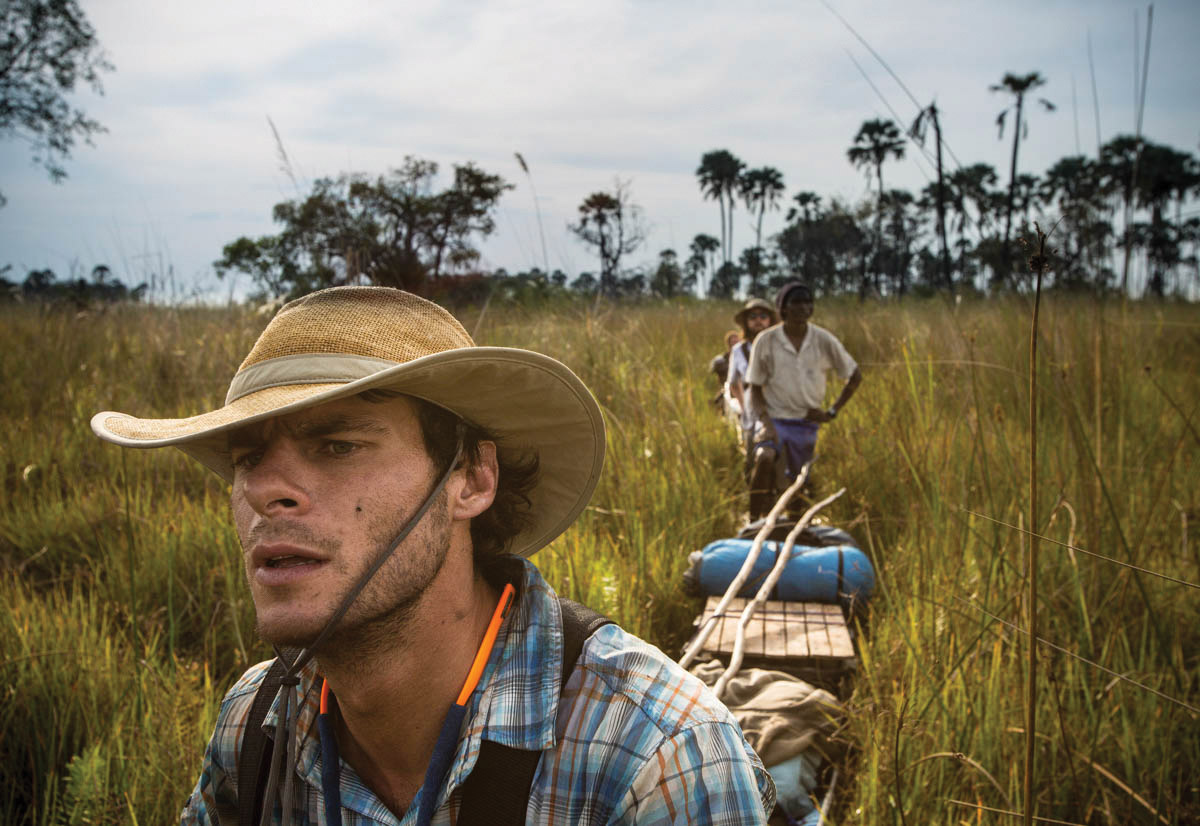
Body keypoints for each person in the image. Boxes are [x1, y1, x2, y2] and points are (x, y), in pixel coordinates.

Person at [91, 286, 775, 825]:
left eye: (338, 446)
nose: (267, 490)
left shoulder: (652, 757)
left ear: (471, 479)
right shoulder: (256, 724)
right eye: (248, 458)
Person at [745, 282, 862, 516]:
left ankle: (794, 524)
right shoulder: (767, 340)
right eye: (795, 303)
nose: (802, 308)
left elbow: (854, 375)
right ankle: (753, 520)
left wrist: (832, 411)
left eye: (807, 303)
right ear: (783, 309)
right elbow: (754, 387)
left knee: (798, 483)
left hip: (806, 422)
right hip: (775, 418)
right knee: (765, 458)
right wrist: (766, 424)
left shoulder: (822, 340)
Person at [724, 299, 779, 497]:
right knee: (751, 456)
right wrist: (743, 407)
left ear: (770, 320)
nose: (758, 321)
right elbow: (733, 382)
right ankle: (754, 502)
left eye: (763, 316)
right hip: (750, 411)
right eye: (753, 317)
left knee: (778, 457)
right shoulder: (739, 350)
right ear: (746, 322)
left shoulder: (778, 345)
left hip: (777, 409)